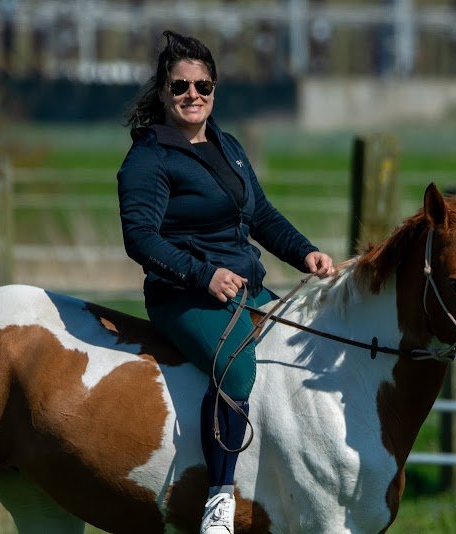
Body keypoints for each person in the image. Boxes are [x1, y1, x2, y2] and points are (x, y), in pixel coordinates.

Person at [117, 30, 334, 534]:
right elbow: (140, 238)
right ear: (163, 92)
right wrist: (204, 275)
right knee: (236, 373)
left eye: (203, 86)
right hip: (183, 295)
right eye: (180, 87)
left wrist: (305, 252)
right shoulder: (149, 157)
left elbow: (262, 216)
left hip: (245, 286)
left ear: (214, 89)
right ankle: (218, 500)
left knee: (298, 347)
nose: (192, 95)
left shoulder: (226, 144)